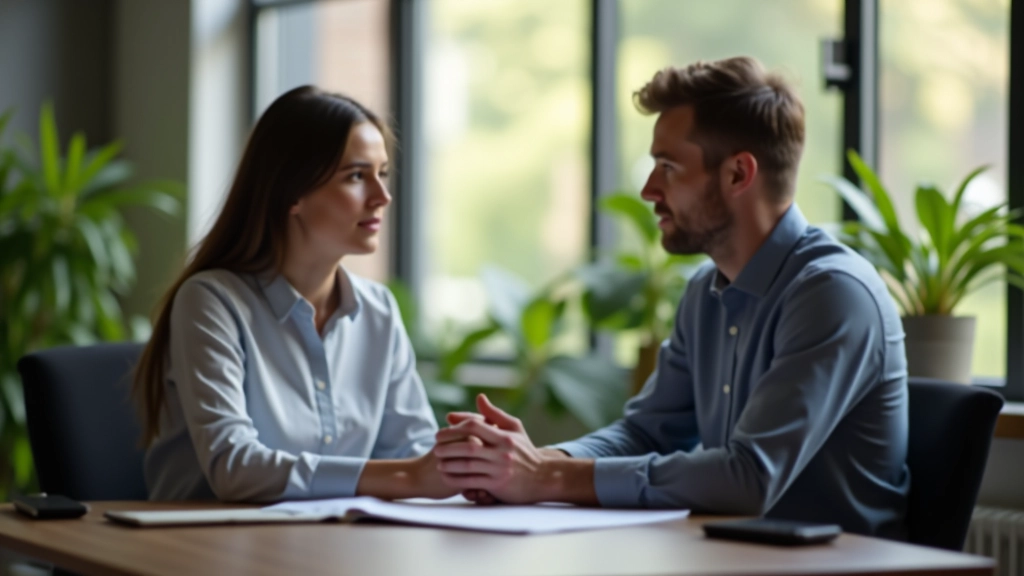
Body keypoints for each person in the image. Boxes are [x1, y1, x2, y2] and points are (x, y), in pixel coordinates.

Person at [435, 56, 910, 539]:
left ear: (737, 175)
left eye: (668, 167)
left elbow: (749, 478)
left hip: (840, 567)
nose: (648, 190)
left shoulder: (832, 293)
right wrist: (536, 462)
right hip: (733, 558)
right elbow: (645, 433)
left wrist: (543, 478)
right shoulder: (705, 292)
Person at [134, 86, 455, 502]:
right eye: (357, 176)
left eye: (383, 173)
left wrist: (463, 462)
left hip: (328, 547)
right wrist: (407, 477)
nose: (382, 196)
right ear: (292, 193)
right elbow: (235, 467)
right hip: (206, 549)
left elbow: (414, 451)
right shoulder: (212, 301)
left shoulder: (378, 310)